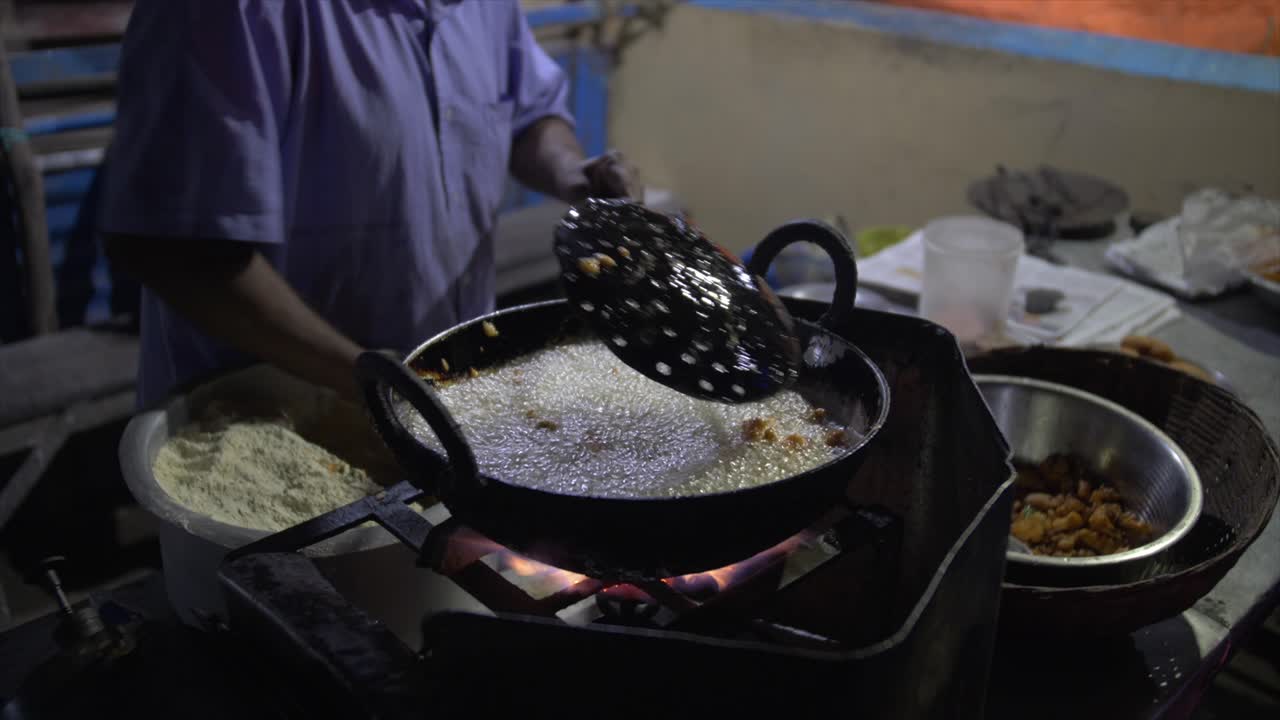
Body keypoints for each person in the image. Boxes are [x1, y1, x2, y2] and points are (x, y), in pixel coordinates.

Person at [101, 0, 637, 409]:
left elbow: (527, 114)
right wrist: (368, 378)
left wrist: (571, 173)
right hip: (270, 424)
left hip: (446, 404)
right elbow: (175, 249)